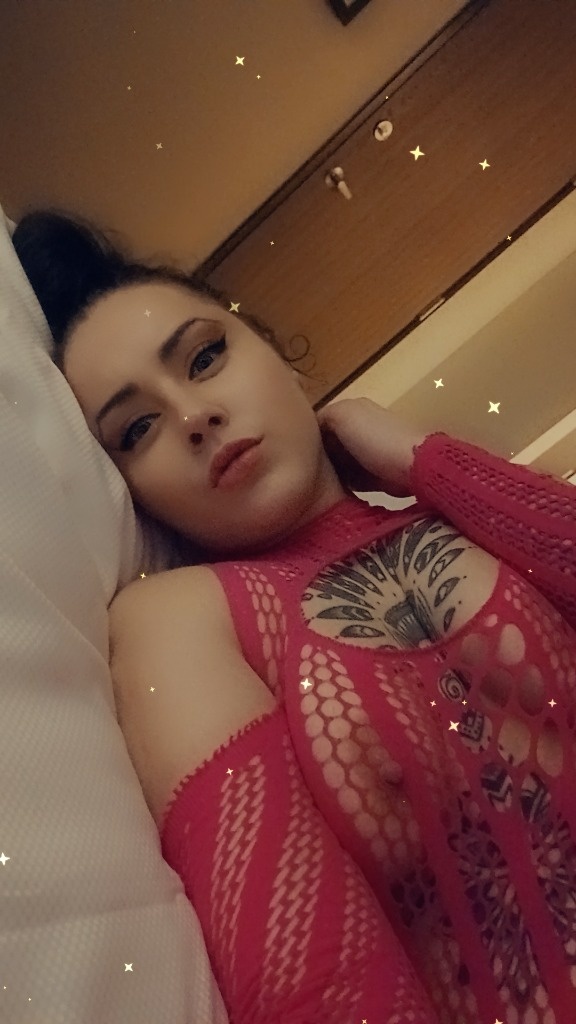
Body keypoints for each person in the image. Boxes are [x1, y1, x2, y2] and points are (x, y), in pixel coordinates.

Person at [12, 209, 576, 1024]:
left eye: (205, 357)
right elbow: (315, 989)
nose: (193, 416)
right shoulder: (175, 622)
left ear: (276, 352)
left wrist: (425, 458)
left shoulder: (464, 513)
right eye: (137, 429)